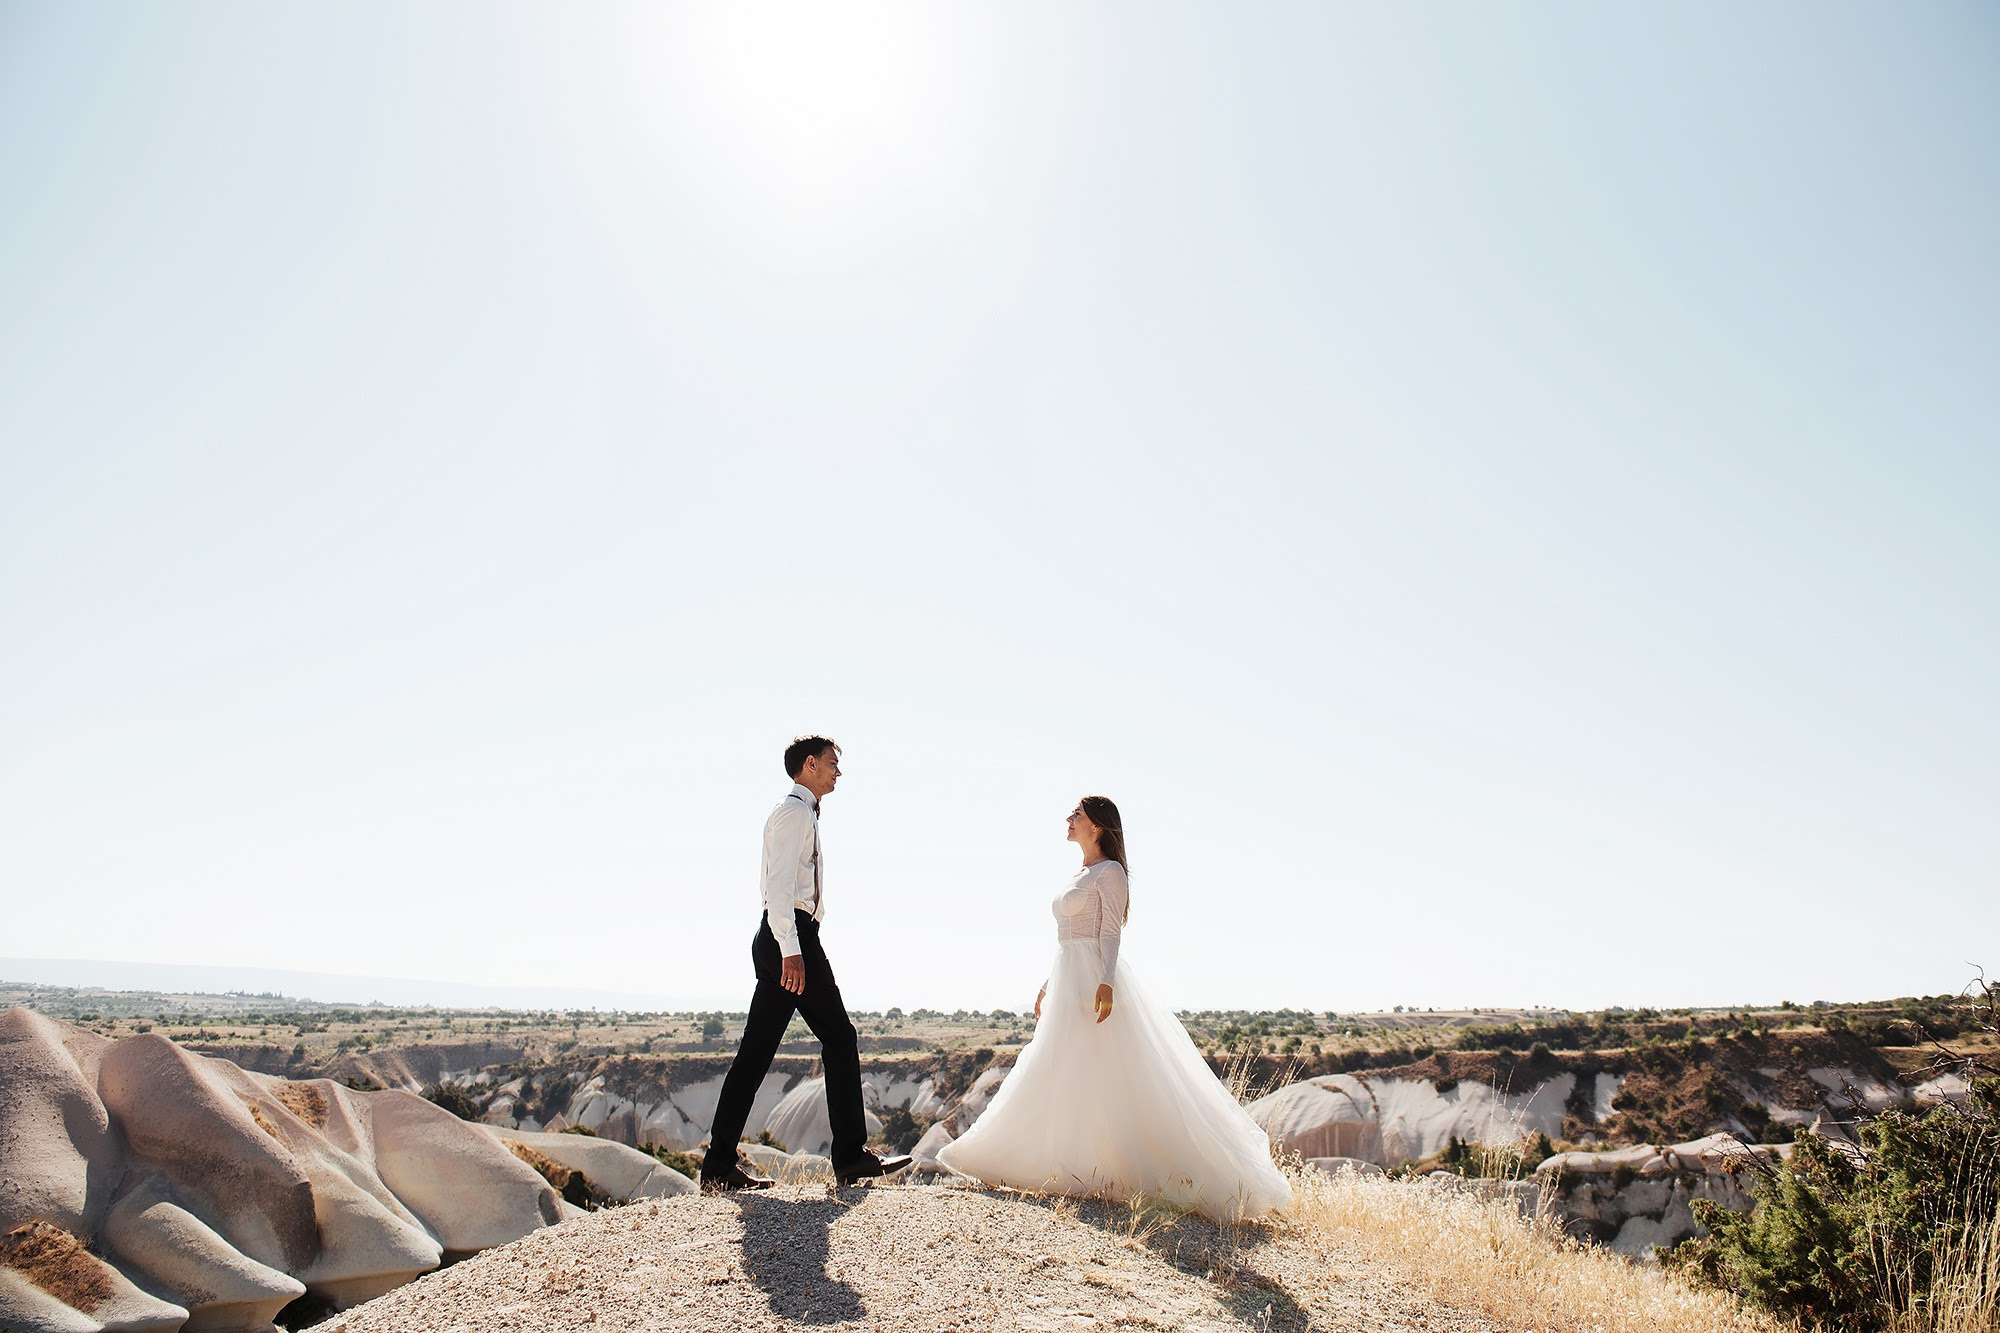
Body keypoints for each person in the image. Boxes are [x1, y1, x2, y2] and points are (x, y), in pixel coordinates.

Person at [935, 796, 1292, 1221]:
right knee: (1059, 1067)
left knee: (1105, 1071)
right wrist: (1048, 985)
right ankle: (1056, 1163)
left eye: (1077, 815)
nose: (1069, 819)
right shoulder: (1082, 873)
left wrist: (1105, 981)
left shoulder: (1111, 872)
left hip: (1093, 982)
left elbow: (1109, 933)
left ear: (1098, 827)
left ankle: (1140, 1172)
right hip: (1068, 978)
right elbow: (1068, 937)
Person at [699, 736, 911, 1191]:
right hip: (790, 940)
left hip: (788, 937)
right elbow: (778, 890)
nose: (839, 771)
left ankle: (717, 1167)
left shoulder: (801, 812)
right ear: (809, 765)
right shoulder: (794, 813)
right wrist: (791, 950)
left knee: (755, 1056)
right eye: (833, 763)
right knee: (839, 1037)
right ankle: (850, 1156)